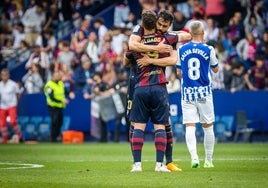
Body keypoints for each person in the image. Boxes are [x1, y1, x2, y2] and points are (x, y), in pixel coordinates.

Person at [128, 9, 191, 172]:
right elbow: (187, 36)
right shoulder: (163, 38)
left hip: (142, 85)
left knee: (141, 125)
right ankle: (158, 164)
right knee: (157, 126)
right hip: (152, 84)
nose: (162, 28)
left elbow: (126, 56)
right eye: (160, 24)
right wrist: (159, 49)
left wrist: (147, 58)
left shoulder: (146, 38)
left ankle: (140, 164)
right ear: (155, 22)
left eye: (165, 26)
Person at [176, 20, 219, 168]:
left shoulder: (181, 49)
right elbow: (215, 69)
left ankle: (194, 157)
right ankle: (208, 160)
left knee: (190, 126)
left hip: (187, 92)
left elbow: (179, 72)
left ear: (190, 33)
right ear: (202, 33)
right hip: (204, 92)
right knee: (208, 127)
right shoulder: (209, 49)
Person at [43, 71, 72, 142]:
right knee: (54, 121)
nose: (59, 77)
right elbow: (51, 96)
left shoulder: (61, 83)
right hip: (52, 106)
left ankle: (57, 136)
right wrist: (61, 101)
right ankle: (53, 138)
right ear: (53, 76)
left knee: (60, 122)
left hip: (60, 106)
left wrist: (70, 93)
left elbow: (65, 91)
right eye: (58, 76)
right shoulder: (49, 85)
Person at [0, 69, 23, 143]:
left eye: (6, 75)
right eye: (3, 75)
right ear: (1, 76)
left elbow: (18, 94)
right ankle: (5, 139)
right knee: (2, 123)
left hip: (12, 105)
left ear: (8, 75)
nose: (4, 76)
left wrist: (15, 102)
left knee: (13, 121)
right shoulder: (0, 85)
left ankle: (19, 136)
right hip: (2, 106)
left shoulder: (13, 84)